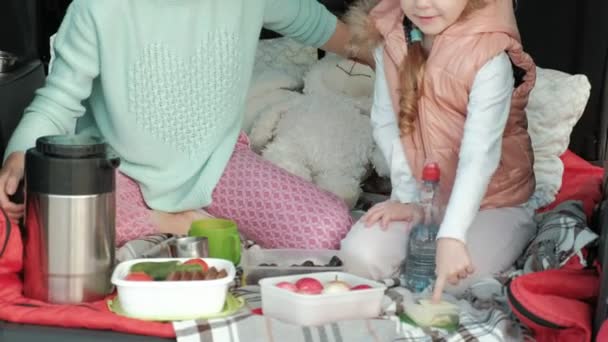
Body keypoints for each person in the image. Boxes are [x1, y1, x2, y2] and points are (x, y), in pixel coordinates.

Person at [0, 0, 366, 248]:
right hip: (117, 171)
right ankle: (173, 224)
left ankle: (192, 224)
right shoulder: (98, 8)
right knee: (58, 222)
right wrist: (19, 155)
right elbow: (58, 101)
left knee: (329, 230)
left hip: (217, 166)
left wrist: (392, 59)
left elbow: (318, 25)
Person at [340, 0, 537, 301]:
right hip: (426, 198)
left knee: (453, 279)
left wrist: (452, 235)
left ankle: (497, 235)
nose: (422, 4)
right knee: (360, 255)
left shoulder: (489, 55)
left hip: (495, 202)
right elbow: (386, 123)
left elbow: (478, 155)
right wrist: (407, 199)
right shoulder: (391, 40)